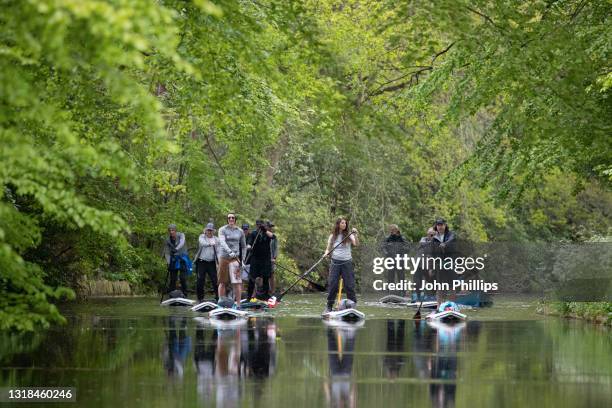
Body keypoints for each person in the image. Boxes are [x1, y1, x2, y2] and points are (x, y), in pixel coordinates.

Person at [323, 217, 359, 313]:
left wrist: (355, 234)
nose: (344, 224)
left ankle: (352, 305)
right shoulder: (332, 236)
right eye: (342, 223)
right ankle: (329, 306)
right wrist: (326, 253)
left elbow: (356, 244)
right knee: (333, 285)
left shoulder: (349, 235)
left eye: (345, 223)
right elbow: (328, 248)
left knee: (349, 285)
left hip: (347, 263)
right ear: (338, 224)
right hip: (335, 263)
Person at [218, 212, 247, 308]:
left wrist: (242, 260)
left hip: (235, 259)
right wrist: (229, 251)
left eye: (233, 218)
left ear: (235, 219)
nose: (231, 219)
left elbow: (243, 247)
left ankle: (238, 304)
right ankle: (221, 303)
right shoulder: (222, 230)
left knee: (237, 282)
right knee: (222, 282)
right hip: (224, 258)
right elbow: (222, 241)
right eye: (229, 218)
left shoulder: (240, 231)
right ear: (227, 219)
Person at [247, 221, 275, 301]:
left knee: (266, 277)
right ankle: (249, 297)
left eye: (261, 225)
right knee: (252, 278)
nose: (259, 227)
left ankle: (265, 296)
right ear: (256, 226)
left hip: (266, 259)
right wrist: (249, 247)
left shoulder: (267, 233)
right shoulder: (253, 234)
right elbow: (249, 242)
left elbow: (273, 237)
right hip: (255, 259)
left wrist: (265, 230)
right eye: (258, 225)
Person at [431, 218, 457, 304]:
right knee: (439, 286)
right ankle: (439, 306)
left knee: (451, 285)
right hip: (439, 264)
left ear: (445, 226)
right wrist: (431, 267)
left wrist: (444, 244)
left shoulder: (451, 234)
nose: (440, 227)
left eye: (441, 225)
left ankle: (452, 305)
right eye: (438, 225)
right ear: (436, 226)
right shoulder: (434, 238)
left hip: (450, 262)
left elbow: (451, 240)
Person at [194, 222, 219, 302]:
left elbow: (219, 251)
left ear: (213, 231)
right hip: (202, 262)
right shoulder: (202, 237)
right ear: (205, 230)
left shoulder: (217, 239)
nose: (209, 232)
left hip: (212, 263)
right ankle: (200, 298)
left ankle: (218, 297)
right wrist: (210, 244)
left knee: (215, 280)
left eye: (211, 230)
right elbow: (202, 243)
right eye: (208, 230)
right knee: (200, 280)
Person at [163, 224, 190, 296]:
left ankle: (185, 293)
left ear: (175, 230)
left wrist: (176, 249)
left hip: (182, 258)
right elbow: (167, 252)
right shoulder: (167, 240)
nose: (171, 232)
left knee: (182, 278)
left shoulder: (181, 235)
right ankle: (172, 294)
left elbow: (182, 242)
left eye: (173, 230)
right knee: (173, 279)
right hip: (173, 259)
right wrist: (168, 262)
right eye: (170, 230)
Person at [383, 224, 407, 295]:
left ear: (397, 230)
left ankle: (402, 292)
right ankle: (390, 292)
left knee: (401, 276)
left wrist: (402, 250)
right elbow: (383, 247)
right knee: (390, 276)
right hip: (391, 260)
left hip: (400, 260)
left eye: (393, 230)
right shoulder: (388, 238)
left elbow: (408, 248)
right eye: (391, 230)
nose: (392, 231)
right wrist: (386, 253)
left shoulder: (402, 238)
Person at [413, 227, 436, 300]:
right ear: (427, 234)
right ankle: (417, 296)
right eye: (430, 235)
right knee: (417, 282)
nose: (432, 237)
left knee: (431, 281)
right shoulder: (423, 240)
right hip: (419, 264)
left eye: (433, 235)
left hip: (429, 265)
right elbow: (423, 244)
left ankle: (431, 296)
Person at [268, 221, 278, 294]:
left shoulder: (274, 237)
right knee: (262, 276)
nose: (271, 228)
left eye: (271, 227)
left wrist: (274, 258)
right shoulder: (262, 235)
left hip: (271, 260)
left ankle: (273, 292)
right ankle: (265, 291)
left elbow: (276, 248)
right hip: (263, 259)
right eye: (270, 226)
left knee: (272, 275)